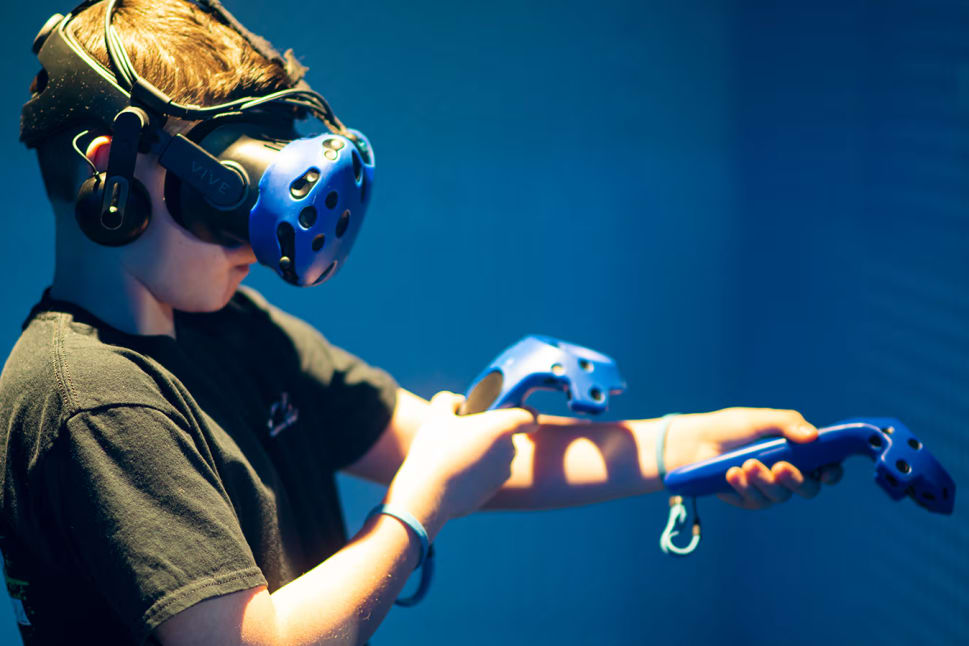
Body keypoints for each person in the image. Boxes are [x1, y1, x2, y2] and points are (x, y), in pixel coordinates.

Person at [0, 1, 843, 644]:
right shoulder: (91, 398)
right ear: (111, 182)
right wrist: (413, 514)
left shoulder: (227, 324)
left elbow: (459, 454)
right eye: (232, 192)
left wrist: (692, 444)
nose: (265, 234)